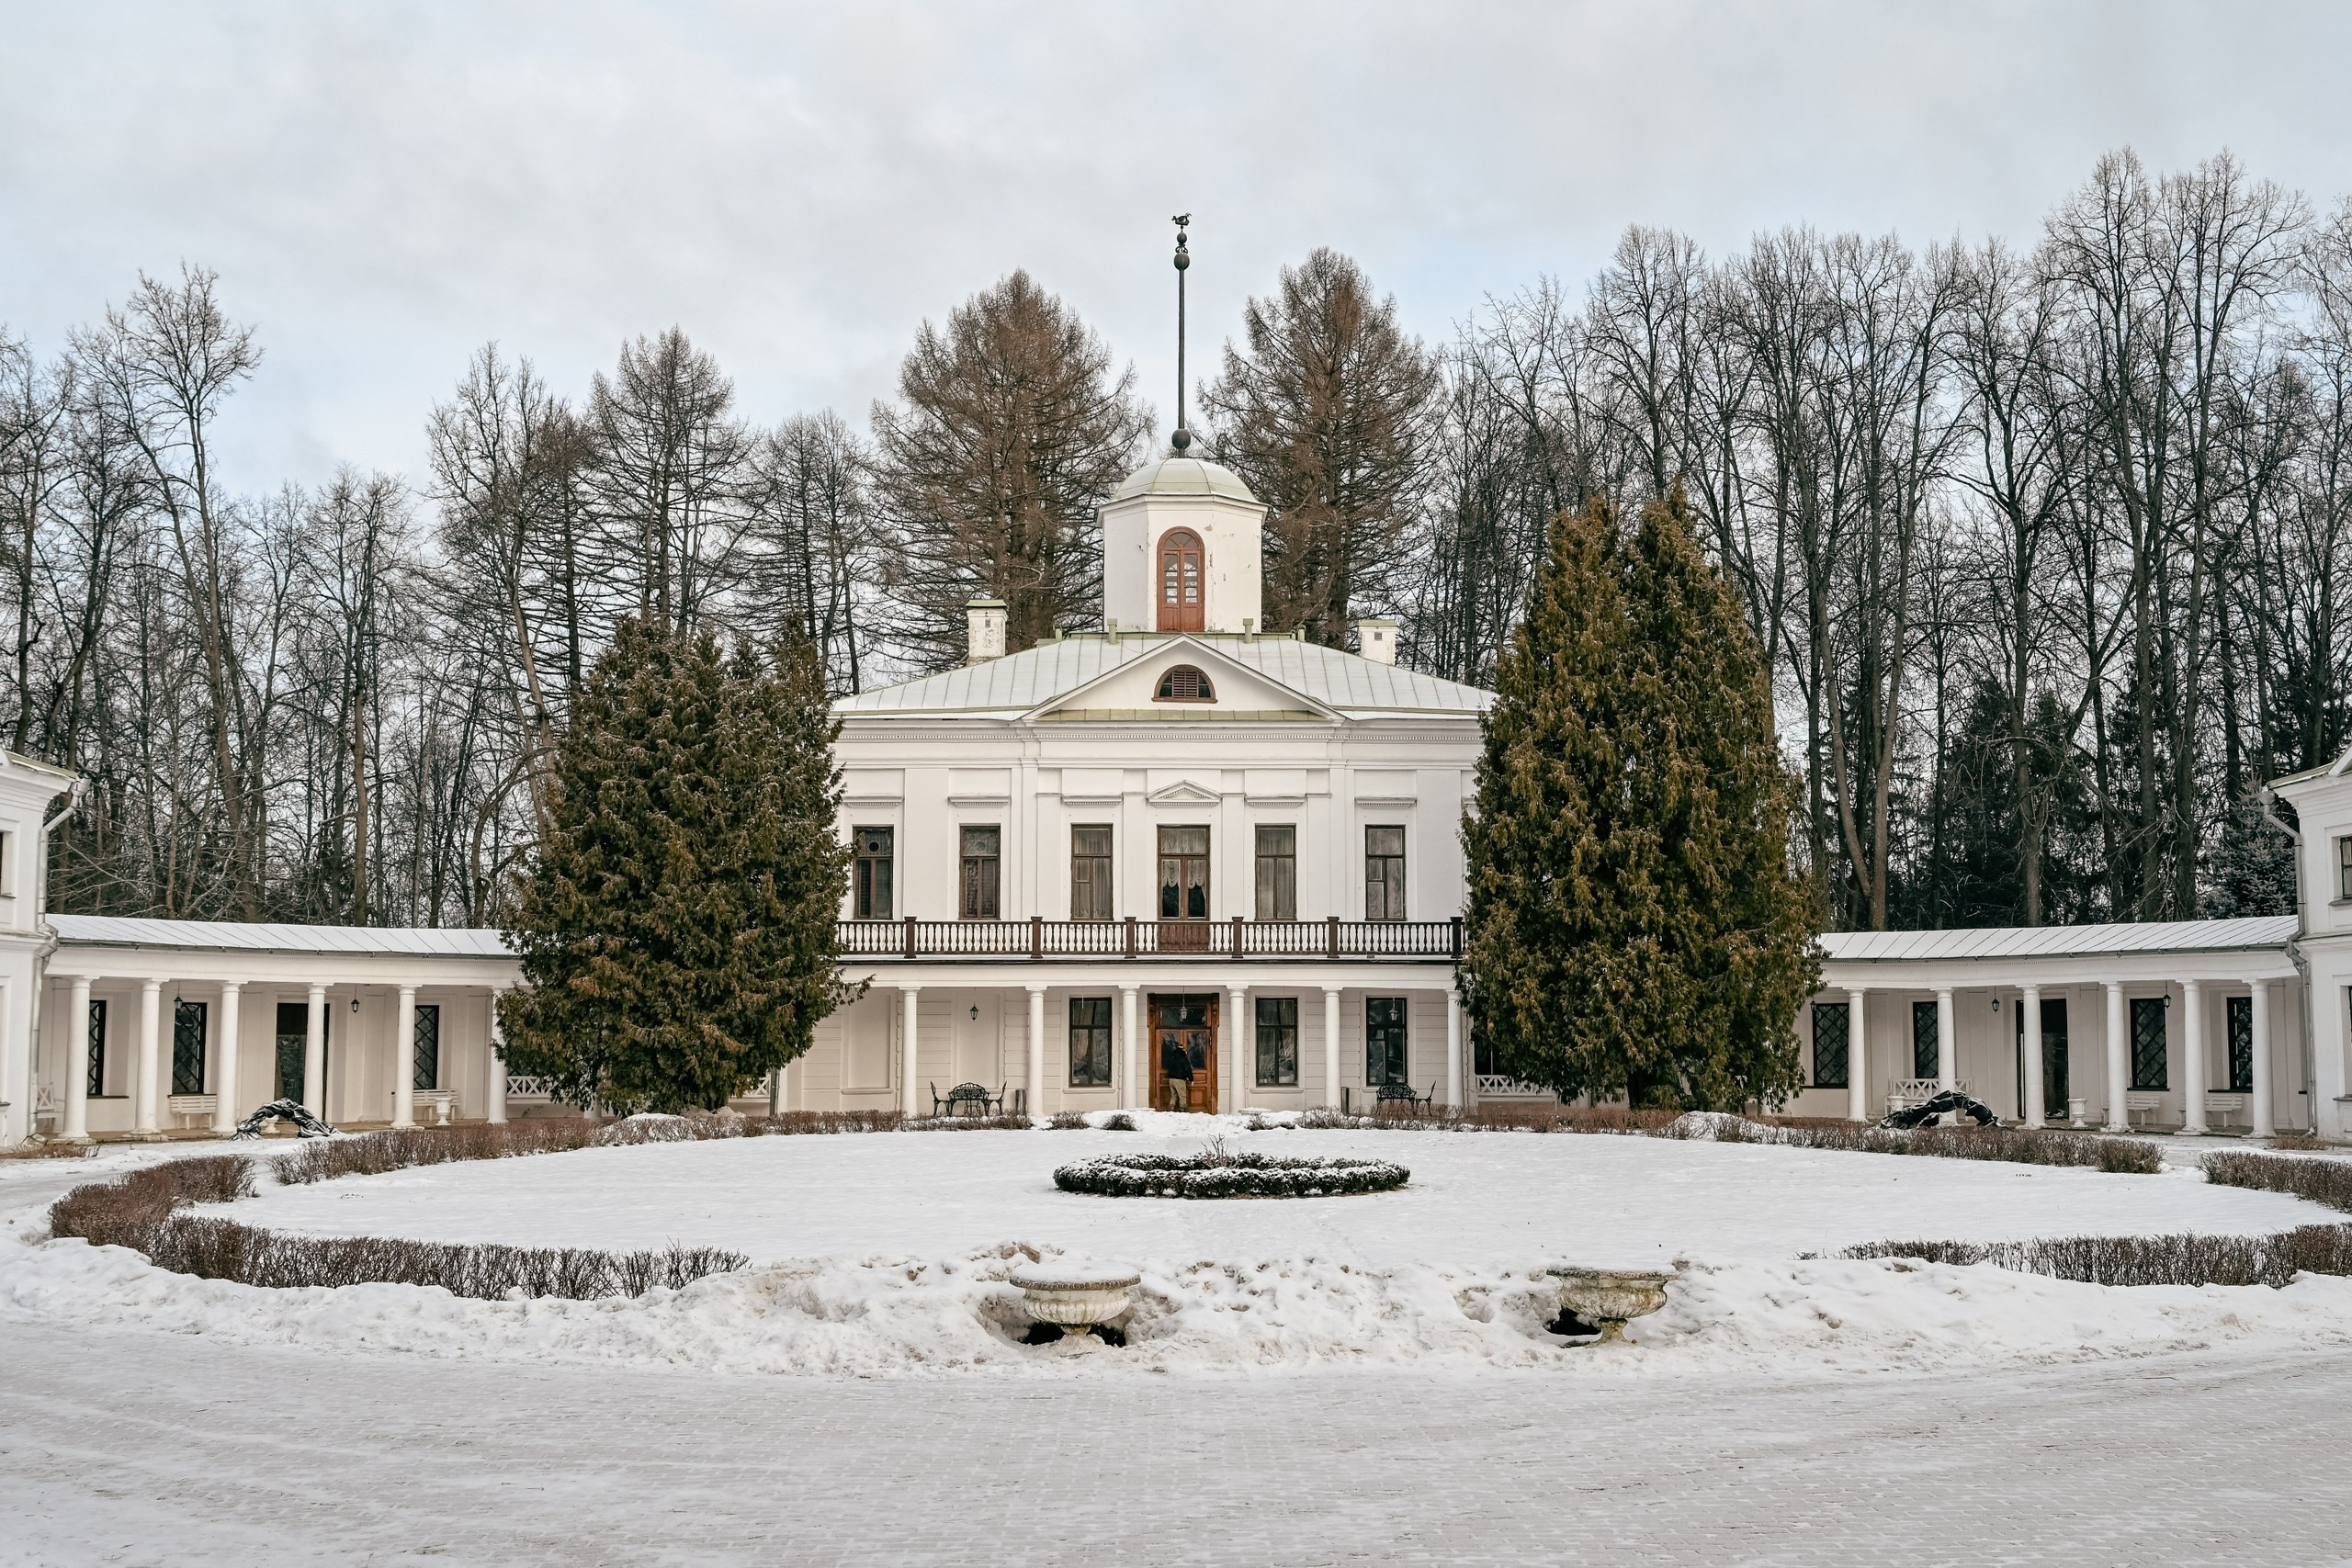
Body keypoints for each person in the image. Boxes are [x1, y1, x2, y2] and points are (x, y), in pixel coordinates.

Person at [1160, 1033, 1193, 1112]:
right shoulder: (1183, 1058)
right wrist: (1191, 1079)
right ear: (1183, 1050)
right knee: (1182, 1096)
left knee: (1173, 1095)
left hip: (1171, 1079)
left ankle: (1171, 1109)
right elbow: (1188, 1069)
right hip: (1180, 1079)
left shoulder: (1172, 1057)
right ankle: (1183, 1109)